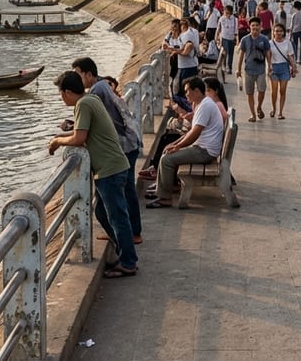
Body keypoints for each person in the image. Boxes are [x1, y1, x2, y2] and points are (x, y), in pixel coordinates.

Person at [48, 71, 138, 278]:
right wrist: (61, 136)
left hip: (110, 169)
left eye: (61, 94)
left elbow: (79, 138)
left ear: (68, 92)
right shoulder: (91, 99)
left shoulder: (84, 105)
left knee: (117, 217)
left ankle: (128, 262)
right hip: (114, 165)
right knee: (102, 213)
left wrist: (56, 142)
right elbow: (82, 133)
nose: (61, 98)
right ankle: (125, 253)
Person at [71, 58, 142, 245]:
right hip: (127, 141)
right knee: (122, 194)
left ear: (88, 74)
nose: (76, 77)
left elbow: (91, 125)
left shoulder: (95, 92)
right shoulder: (102, 85)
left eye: (78, 73)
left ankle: (130, 235)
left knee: (122, 195)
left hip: (124, 144)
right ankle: (125, 233)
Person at [146, 77, 226, 209]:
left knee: (167, 160)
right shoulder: (202, 104)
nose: (186, 94)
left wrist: (177, 146)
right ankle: (161, 190)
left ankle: (165, 198)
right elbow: (191, 132)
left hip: (205, 152)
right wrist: (175, 144)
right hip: (204, 148)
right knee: (167, 149)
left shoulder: (205, 106)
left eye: (187, 91)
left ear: (196, 91)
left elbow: (195, 133)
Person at [236, 18, 272, 121]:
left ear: (260, 27)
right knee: (249, 93)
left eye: (257, 25)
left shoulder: (264, 39)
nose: (255, 27)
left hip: (261, 70)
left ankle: (259, 107)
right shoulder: (245, 40)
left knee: (262, 91)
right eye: (253, 25)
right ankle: (253, 114)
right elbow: (241, 54)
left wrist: (269, 66)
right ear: (250, 27)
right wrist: (238, 70)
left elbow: (268, 53)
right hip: (248, 71)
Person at [267, 23, 298, 120]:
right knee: (274, 91)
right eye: (276, 31)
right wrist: (269, 67)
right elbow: (268, 57)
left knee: (282, 91)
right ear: (273, 32)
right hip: (274, 68)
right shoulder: (270, 43)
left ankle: (280, 112)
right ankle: (273, 109)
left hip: (284, 67)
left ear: (283, 32)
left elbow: (290, 56)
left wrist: (293, 67)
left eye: (280, 31)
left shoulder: (287, 43)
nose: (278, 33)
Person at [218, 6, 239, 75]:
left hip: (231, 39)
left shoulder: (235, 19)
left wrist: (237, 39)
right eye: (225, 12)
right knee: (224, 53)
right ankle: (224, 66)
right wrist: (217, 38)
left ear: (231, 13)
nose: (226, 14)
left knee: (231, 54)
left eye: (228, 13)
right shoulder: (222, 19)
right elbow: (218, 29)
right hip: (224, 38)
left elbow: (236, 30)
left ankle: (229, 68)